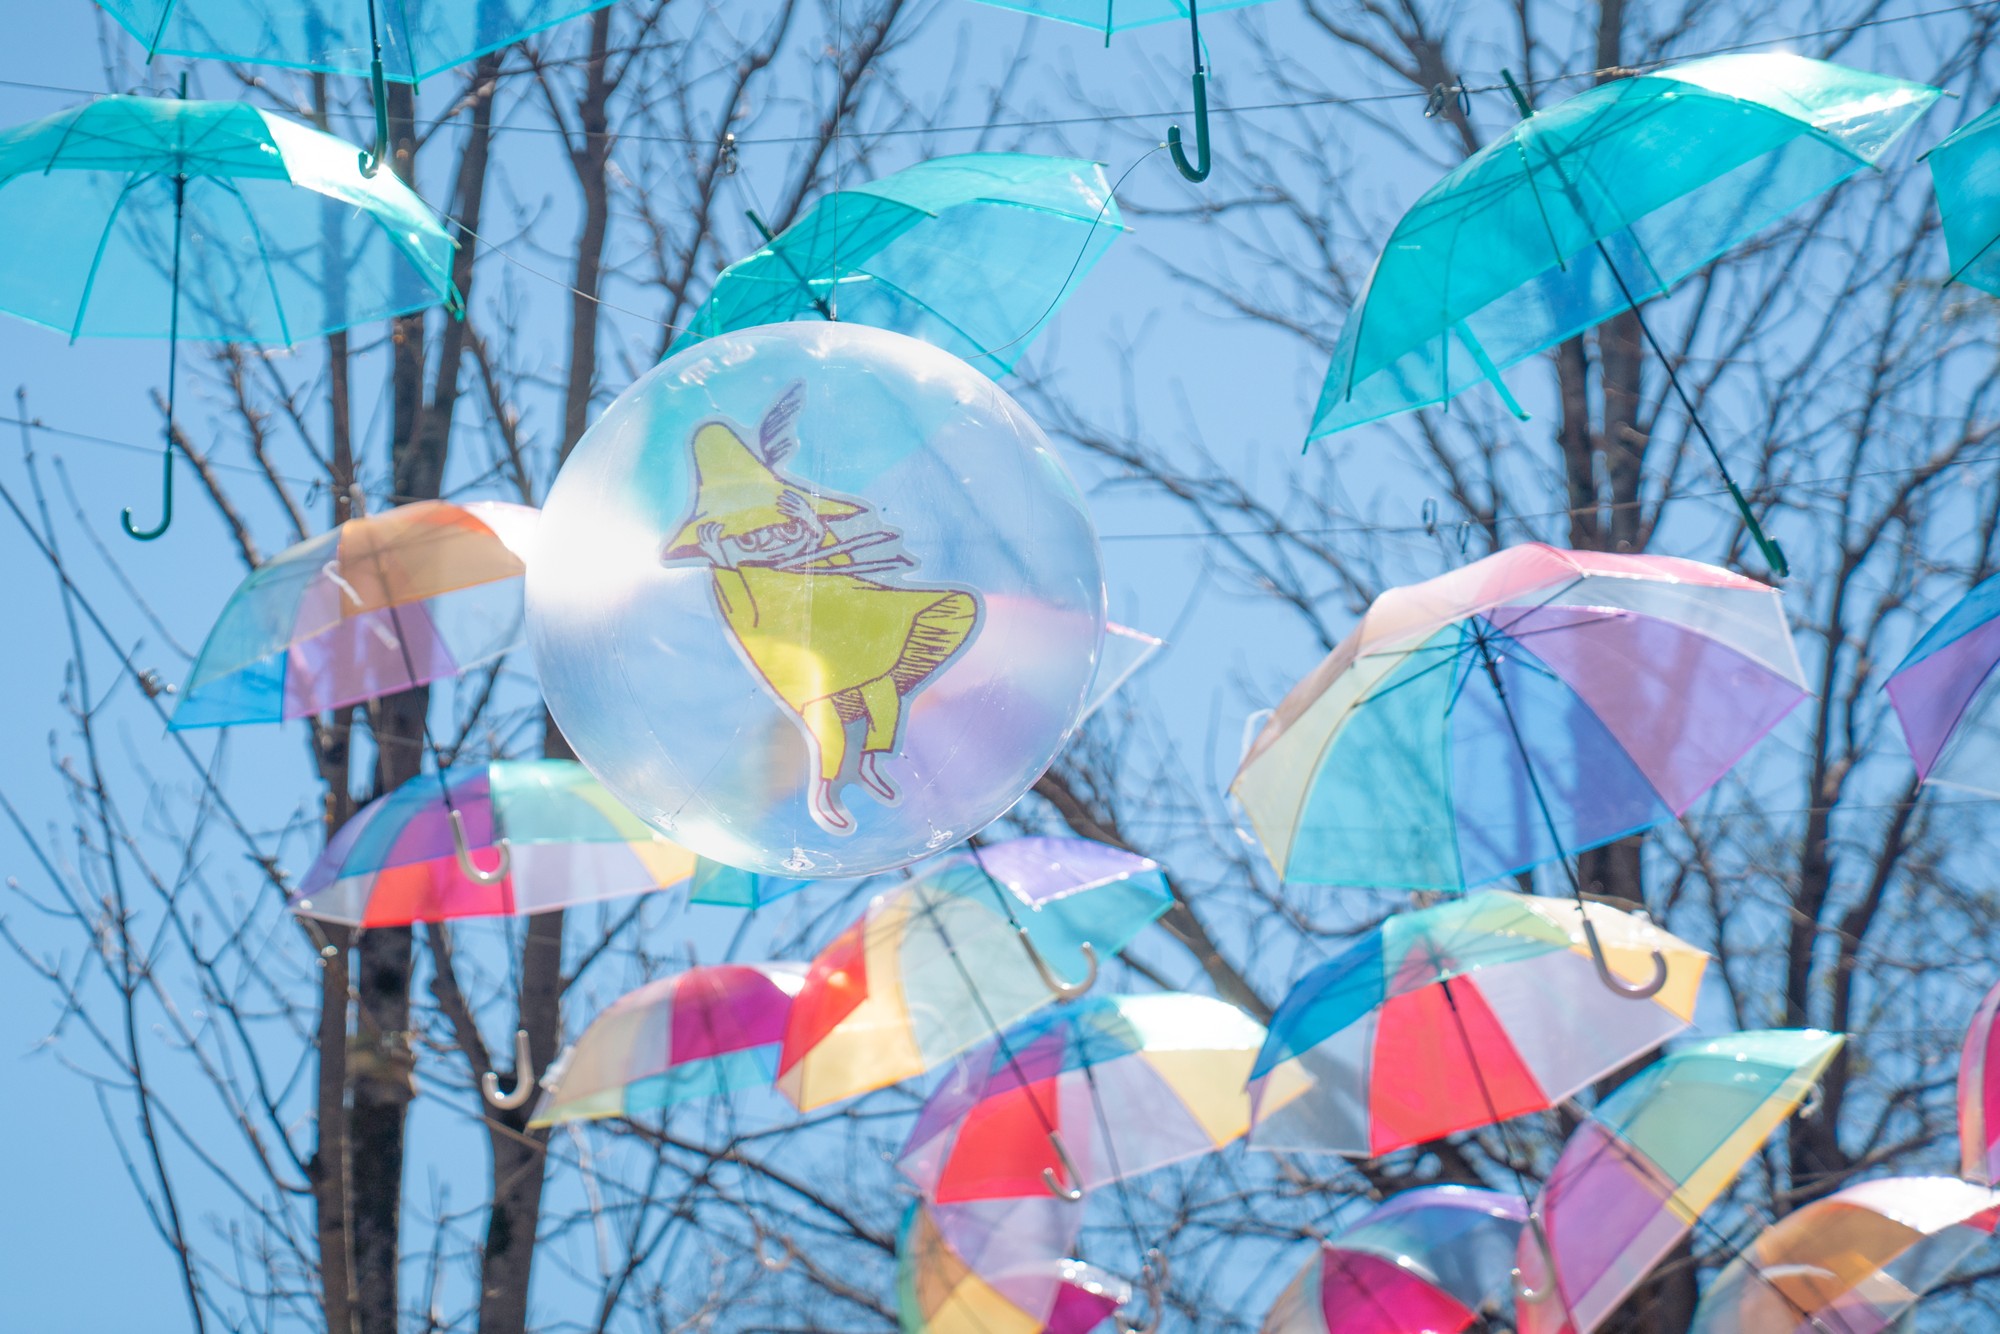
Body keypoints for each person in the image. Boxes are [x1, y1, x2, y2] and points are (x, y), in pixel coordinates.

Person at [661, 385, 981, 834]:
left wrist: (809, 523)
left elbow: (836, 563)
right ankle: (825, 790)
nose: (772, 541)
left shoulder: (809, 548)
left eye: (782, 528)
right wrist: (725, 559)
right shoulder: (737, 577)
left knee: (888, 684)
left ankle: (870, 760)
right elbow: (746, 615)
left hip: (863, 635)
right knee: (824, 716)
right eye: (751, 537)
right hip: (808, 667)